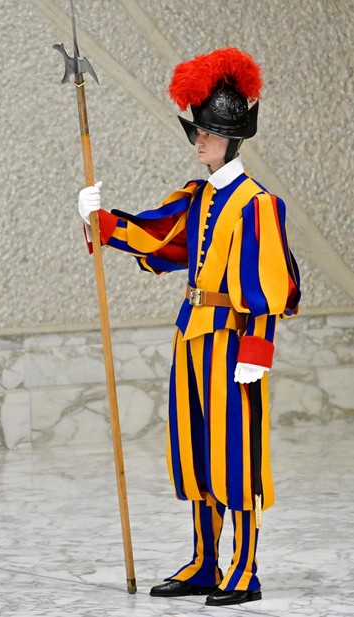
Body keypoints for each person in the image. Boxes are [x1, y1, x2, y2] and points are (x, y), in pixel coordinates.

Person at [77, 48, 300, 606]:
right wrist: (98, 221)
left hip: (233, 344)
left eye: (206, 132)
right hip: (192, 338)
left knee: (238, 456)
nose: (198, 140)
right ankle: (205, 561)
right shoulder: (200, 197)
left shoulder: (257, 205)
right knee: (198, 453)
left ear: (231, 137)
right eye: (197, 130)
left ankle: (243, 569)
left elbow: (274, 288)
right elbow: (157, 238)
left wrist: (258, 350)